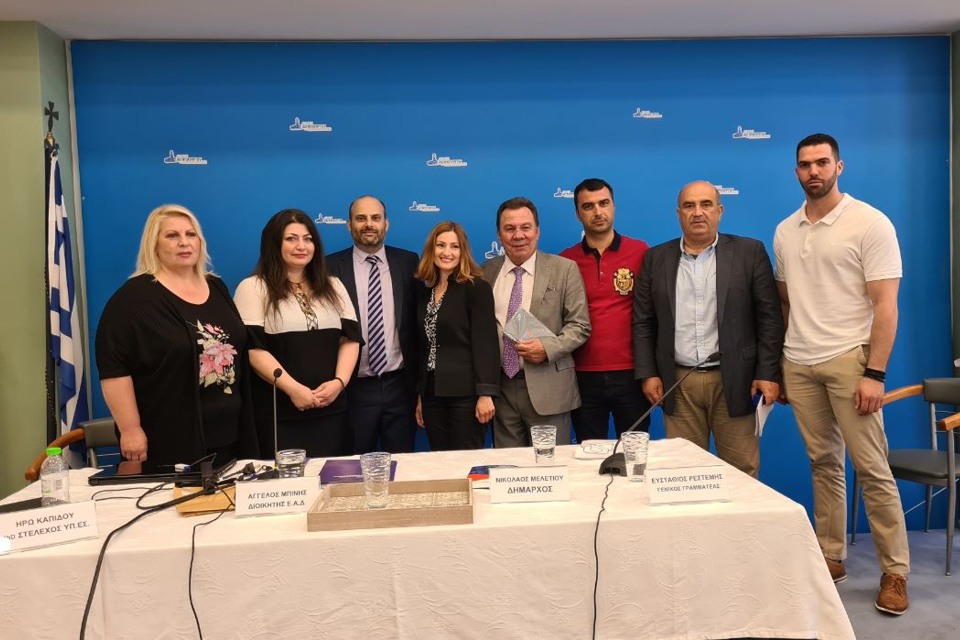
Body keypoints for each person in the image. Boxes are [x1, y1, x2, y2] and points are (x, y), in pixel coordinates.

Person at [775, 133, 909, 615]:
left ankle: (895, 571)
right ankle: (831, 556)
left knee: (872, 468)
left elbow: (886, 305)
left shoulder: (870, 223)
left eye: (822, 162)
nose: (813, 171)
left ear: (839, 166)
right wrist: (782, 367)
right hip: (798, 363)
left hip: (850, 362)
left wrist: (875, 373)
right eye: (805, 164)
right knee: (823, 464)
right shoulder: (785, 230)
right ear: (796, 171)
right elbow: (786, 303)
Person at [633, 181, 783, 478]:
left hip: (737, 381)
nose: (697, 212)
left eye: (706, 205)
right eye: (689, 206)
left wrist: (767, 373)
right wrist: (648, 373)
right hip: (678, 383)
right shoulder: (656, 259)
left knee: (741, 472)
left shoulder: (749, 252)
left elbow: (770, 319)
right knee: (684, 473)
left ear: (720, 211)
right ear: (678, 213)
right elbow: (643, 321)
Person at [96, 204, 258, 465]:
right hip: (170, 438)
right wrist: (130, 429)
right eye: (172, 236)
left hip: (229, 435)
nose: (184, 242)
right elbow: (114, 370)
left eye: (191, 234)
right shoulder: (133, 299)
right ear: (154, 244)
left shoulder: (216, 286)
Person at [234, 209, 361, 458]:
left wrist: (339, 383)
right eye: (291, 239)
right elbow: (254, 350)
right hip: (280, 413)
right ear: (274, 244)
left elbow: (351, 340)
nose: (301, 246)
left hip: (331, 408)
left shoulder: (334, 285)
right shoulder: (253, 288)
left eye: (308, 239)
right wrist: (294, 390)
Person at [482, 196, 590, 448]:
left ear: (537, 231)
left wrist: (547, 348)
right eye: (509, 228)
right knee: (508, 466)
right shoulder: (484, 272)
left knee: (551, 465)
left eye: (525, 227)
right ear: (499, 235)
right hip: (501, 389)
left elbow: (580, 326)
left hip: (548, 386)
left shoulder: (564, 269)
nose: (518, 235)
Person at [560, 178, 652, 441]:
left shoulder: (641, 252)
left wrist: (650, 371)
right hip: (581, 375)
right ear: (578, 214)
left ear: (613, 206)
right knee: (588, 451)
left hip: (632, 374)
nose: (598, 212)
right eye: (588, 206)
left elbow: (653, 314)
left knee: (634, 451)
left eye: (604, 203)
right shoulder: (565, 261)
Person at [327, 195, 420, 454]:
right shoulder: (328, 267)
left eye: (375, 218)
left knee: (403, 464)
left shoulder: (408, 262)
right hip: (353, 388)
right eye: (361, 218)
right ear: (349, 225)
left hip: (400, 387)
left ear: (386, 224)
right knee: (353, 465)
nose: (369, 224)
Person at [413, 221, 500, 450]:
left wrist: (486, 394)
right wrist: (421, 395)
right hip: (432, 395)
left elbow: (486, 344)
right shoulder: (424, 292)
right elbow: (424, 347)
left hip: (467, 396)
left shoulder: (476, 288)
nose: (447, 252)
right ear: (431, 249)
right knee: (440, 460)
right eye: (441, 245)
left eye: (454, 246)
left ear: (463, 251)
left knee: (465, 462)